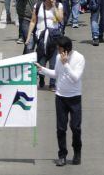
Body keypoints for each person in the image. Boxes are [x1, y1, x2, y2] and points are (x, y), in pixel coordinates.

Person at [36, 36, 85, 167]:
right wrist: (41, 69)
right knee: (60, 128)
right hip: (60, 97)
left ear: (67, 50)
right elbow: (56, 74)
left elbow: (75, 78)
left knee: (75, 127)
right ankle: (62, 155)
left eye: (60, 49)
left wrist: (66, 64)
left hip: (74, 97)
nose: (58, 51)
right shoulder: (58, 58)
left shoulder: (79, 58)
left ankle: (77, 152)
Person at [28, 0, 64, 89]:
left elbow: (60, 19)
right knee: (41, 61)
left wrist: (54, 6)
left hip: (54, 38)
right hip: (41, 38)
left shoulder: (58, 5)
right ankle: (42, 78)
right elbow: (33, 21)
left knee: (54, 62)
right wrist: (28, 36)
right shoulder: (38, 5)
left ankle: (52, 84)